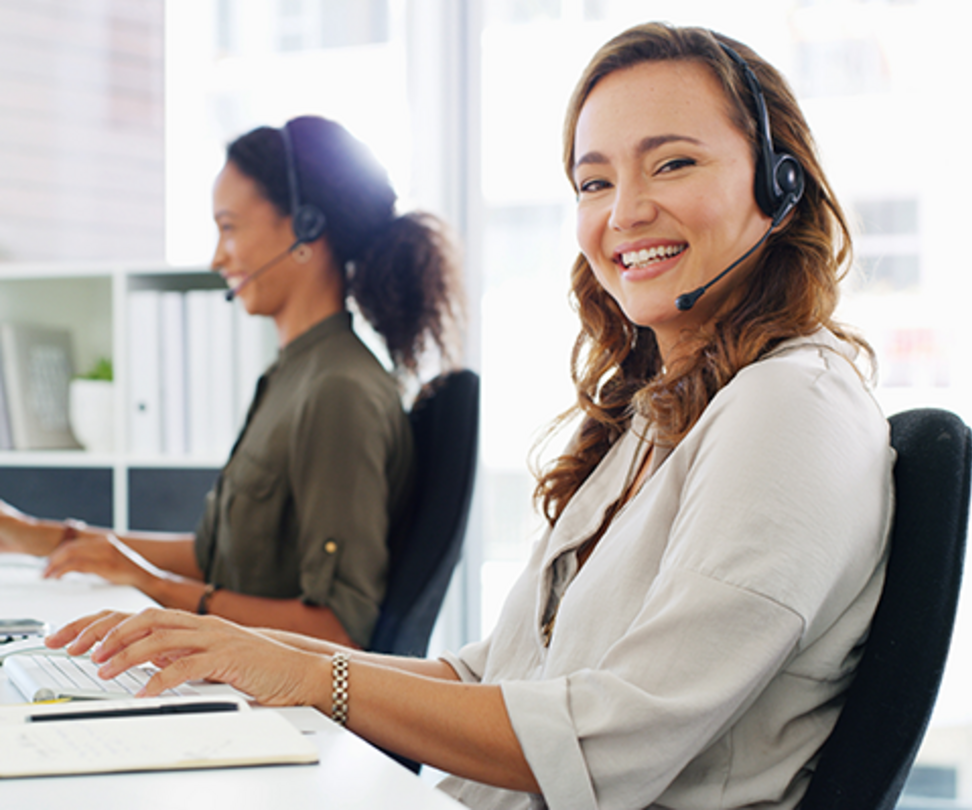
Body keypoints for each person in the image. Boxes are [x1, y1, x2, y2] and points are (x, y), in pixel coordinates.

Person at [45, 24, 894, 809]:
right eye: (594, 180)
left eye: (672, 164)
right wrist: (253, 656)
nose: (624, 210)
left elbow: (609, 740)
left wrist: (309, 675)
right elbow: (489, 673)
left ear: (781, 185)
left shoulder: (792, 409)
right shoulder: (664, 417)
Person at [0, 116, 462, 649]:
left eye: (229, 227)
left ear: (306, 229)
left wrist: (154, 588)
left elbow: (339, 629)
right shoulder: (294, 374)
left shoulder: (339, 391)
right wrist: (37, 537)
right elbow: (212, 557)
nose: (219, 256)